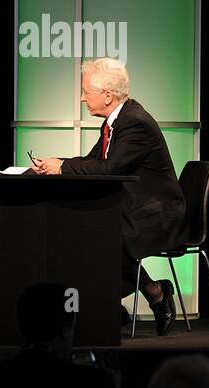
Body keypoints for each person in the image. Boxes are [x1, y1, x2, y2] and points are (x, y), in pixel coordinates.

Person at [31, 58, 186, 336]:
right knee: (85, 226)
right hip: (136, 207)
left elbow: (110, 169)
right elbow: (93, 161)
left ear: (107, 95)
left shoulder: (134, 123)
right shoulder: (118, 120)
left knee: (102, 232)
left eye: (85, 92)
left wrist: (63, 167)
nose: (81, 98)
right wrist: (55, 164)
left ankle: (149, 294)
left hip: (159, 212)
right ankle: (112, 303)